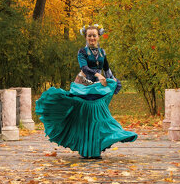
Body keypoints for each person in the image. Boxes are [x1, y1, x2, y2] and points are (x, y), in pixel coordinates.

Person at [34, 25, 138, 159]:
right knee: (85, 117)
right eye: (89, 35)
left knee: (98, 116)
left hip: (97, 87)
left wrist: (112, 81)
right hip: (84, 85)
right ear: (86, 37)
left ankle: (97, 147)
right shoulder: (82, 52)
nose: (92, 38)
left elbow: (106, 68)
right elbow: (84, 67)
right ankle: (85, 148)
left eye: (94, 35)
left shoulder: (102, 52)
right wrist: (98, 75)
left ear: (98, 36)